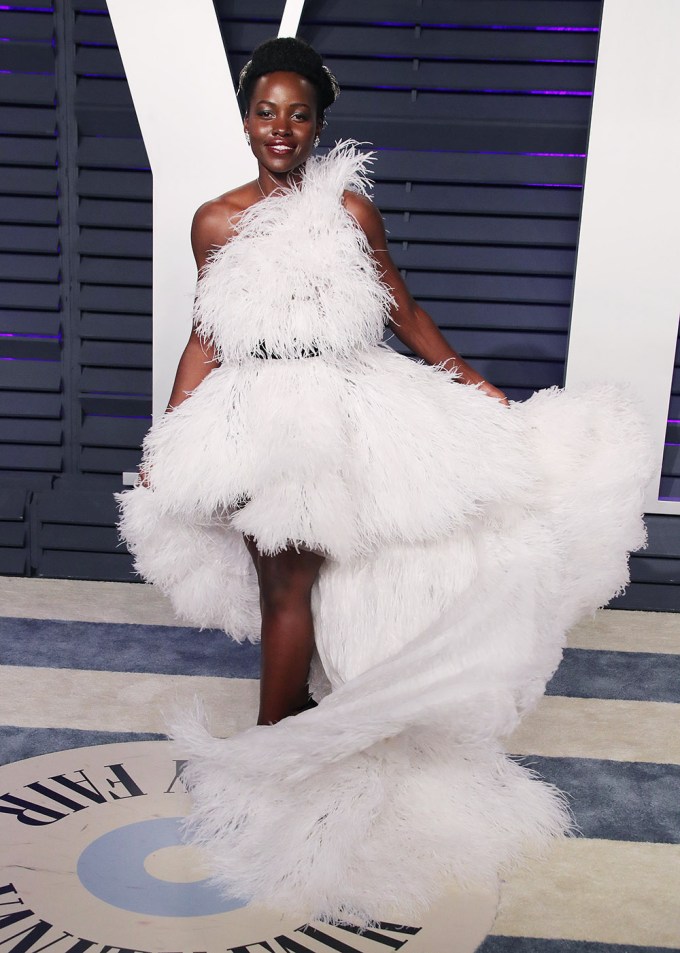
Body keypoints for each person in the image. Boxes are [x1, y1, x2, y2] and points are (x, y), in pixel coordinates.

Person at [118, 37, 651, 925]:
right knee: (284, 585)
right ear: (245, 121)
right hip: (262, 417)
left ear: (318, 125)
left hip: (357, 406)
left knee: (342, 581)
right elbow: (208, 332)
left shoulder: (350, 211)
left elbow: (400, 306)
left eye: (297, 114)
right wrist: (171, 426)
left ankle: (289, 744)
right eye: (265, 112)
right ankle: (282, 749)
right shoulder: (215, 219)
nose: (280, 128)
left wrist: (468, 379)